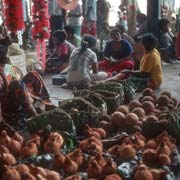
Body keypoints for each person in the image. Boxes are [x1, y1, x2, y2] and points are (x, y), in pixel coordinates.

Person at [0, 44, 51, 118]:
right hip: (6, 102)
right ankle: (34, 115)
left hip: (16, 92)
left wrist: (6, 73)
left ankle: (47, 102)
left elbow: (15, 76)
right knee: (17, 84)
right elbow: (5, 90)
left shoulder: (5, 63)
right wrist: (4, 76)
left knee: (33, 74)